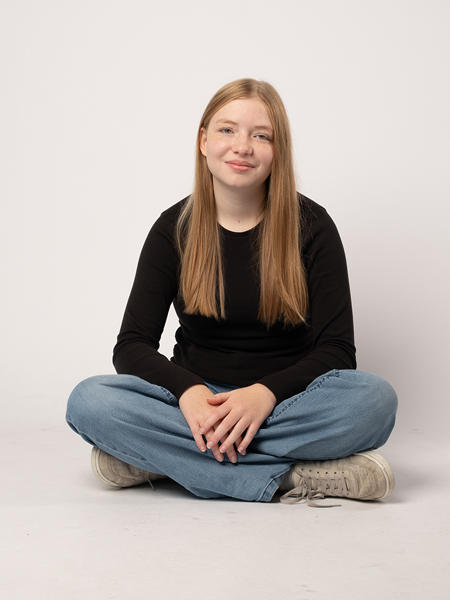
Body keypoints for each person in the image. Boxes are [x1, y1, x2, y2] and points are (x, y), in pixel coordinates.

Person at [66, 78, 398, 507]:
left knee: (374, 401)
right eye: (227, 130)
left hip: (286, 401)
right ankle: (290, 476)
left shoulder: (313, 226)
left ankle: (162, 461)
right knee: (89, 401)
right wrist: (189, 393)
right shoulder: (173, 229)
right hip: (197, 401)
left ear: (278, 151)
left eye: (261, 136)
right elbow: (131, 346)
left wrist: (264, 394)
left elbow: (337, 351)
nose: (242, 146)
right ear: (203, 141)